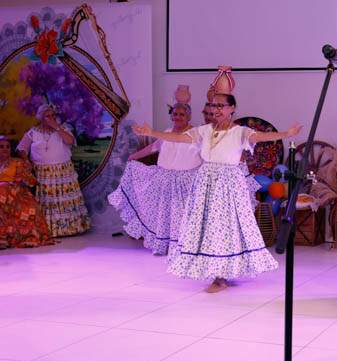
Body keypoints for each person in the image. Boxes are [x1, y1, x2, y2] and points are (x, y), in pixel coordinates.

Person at [132, 93, 303, 293]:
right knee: (207, 228)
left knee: (225, 227)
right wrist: (152, 132)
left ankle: (222, 275)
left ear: (232, 108)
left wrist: (286, 134)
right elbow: (178, 138)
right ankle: (216, 273)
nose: (217, 110)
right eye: (214, 106)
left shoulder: (240, 132)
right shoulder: (204, 131)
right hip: (206, 182)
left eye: (222, 106)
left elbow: (260, 137)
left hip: (227, 184)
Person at [108, 103, 201, 255]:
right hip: (165, 179)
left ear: (189, 116)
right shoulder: (167, 132)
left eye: (182, 114)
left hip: (186, 181)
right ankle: (164, 245)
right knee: (165, 214)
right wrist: (134, 156)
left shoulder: (196, 134)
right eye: (175, 114)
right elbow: (153, 148)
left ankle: (184, 247)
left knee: (183, 214)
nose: (178, 117)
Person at [17, 104, 91, 237]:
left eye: (53, 115)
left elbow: (70, 141)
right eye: (48, 116)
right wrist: (27, 161)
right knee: (48, 201)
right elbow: (21, 148)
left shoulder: (62, 128)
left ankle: (71, 228)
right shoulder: (33, 132)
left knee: (66, 199)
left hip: (63, 171)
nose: (51, 118)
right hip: (44, 173)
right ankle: (50, 229)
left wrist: (56, 127)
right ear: (41, 118)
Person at [0, 136, 54, 249]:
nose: (5, 149)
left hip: (15, 193)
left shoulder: (17, 162)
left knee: (3, 189)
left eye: (8, 147)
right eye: (1, 147)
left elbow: (26, 180)